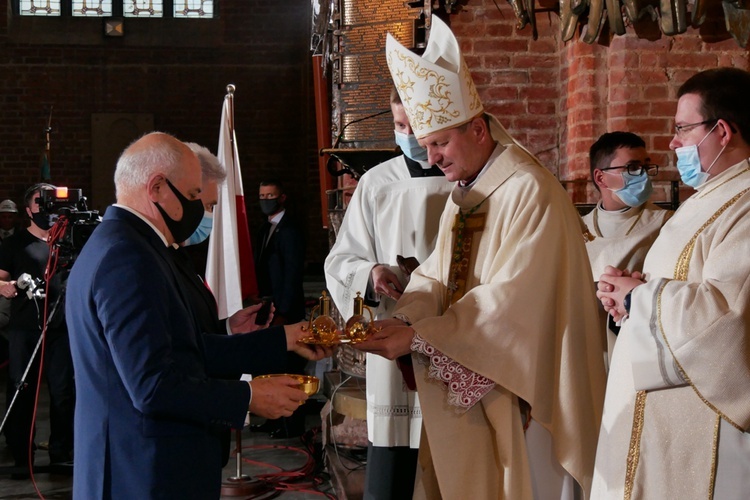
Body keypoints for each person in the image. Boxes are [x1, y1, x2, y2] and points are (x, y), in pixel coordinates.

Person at [354, 15, 606, 499]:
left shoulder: (530, 191)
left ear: (477, 129)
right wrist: (405, 318)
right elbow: (436, 275)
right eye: (427, 146)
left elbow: (516, 300)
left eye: (440, 143)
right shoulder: (467, 193)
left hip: (521, 390)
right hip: (473, 374)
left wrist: (422, 336)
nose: (433, 160)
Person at [65, 132, 332, 499]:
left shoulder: (130, 245)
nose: (198, 210)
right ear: (157, 188)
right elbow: (154, 386)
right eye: (193, 197)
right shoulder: (127, 258)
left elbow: (180, 349)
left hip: (153, 465)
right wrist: (248, 396)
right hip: (144, 473)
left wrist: (284, 338)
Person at [594, 67, 750, 498]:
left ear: (722, 131)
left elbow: (728, 318)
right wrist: (633, 298)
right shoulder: (708, 198)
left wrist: (642, 297)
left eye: (682, 128)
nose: (673, 143)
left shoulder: (745, 203)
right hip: (659, 416)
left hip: (703, 425)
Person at [324, 87, 452, 499]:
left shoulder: (472, 181)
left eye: (417, 126)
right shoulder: (378, 183)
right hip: (396, 328)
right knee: (395, 458)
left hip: (456, 333)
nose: (410, 136)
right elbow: (340, 260)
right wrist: (370, 271)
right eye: (400, 126)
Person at [0, 183, 76, 475]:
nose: (46, 209)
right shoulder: (15, 244)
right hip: (25, 328)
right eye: (39, 202)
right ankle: (22, 453)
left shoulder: (67, 242)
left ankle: (61, 452)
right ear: (28, 209)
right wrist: (7, 287)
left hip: (61, 327)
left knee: (63, 390)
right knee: (23, 389)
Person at [581, 132, 672, 365]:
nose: (642, 175)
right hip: (587, 344)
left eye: (645, 167)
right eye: (632, 167)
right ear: (601, 178)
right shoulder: (576, 228)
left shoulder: (667, 223)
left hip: (640, 346)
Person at [252, 179, 308, 438]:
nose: (266, 200)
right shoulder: (265, 228)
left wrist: (283, 310)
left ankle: (291, 424)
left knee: (289, 368)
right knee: (269, 365)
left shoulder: (290, 230)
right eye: (262, 196)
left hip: (285, 310)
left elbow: (292, 273)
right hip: (267, 307)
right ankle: (273, 419)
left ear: (281, 197)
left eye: (270, 195)